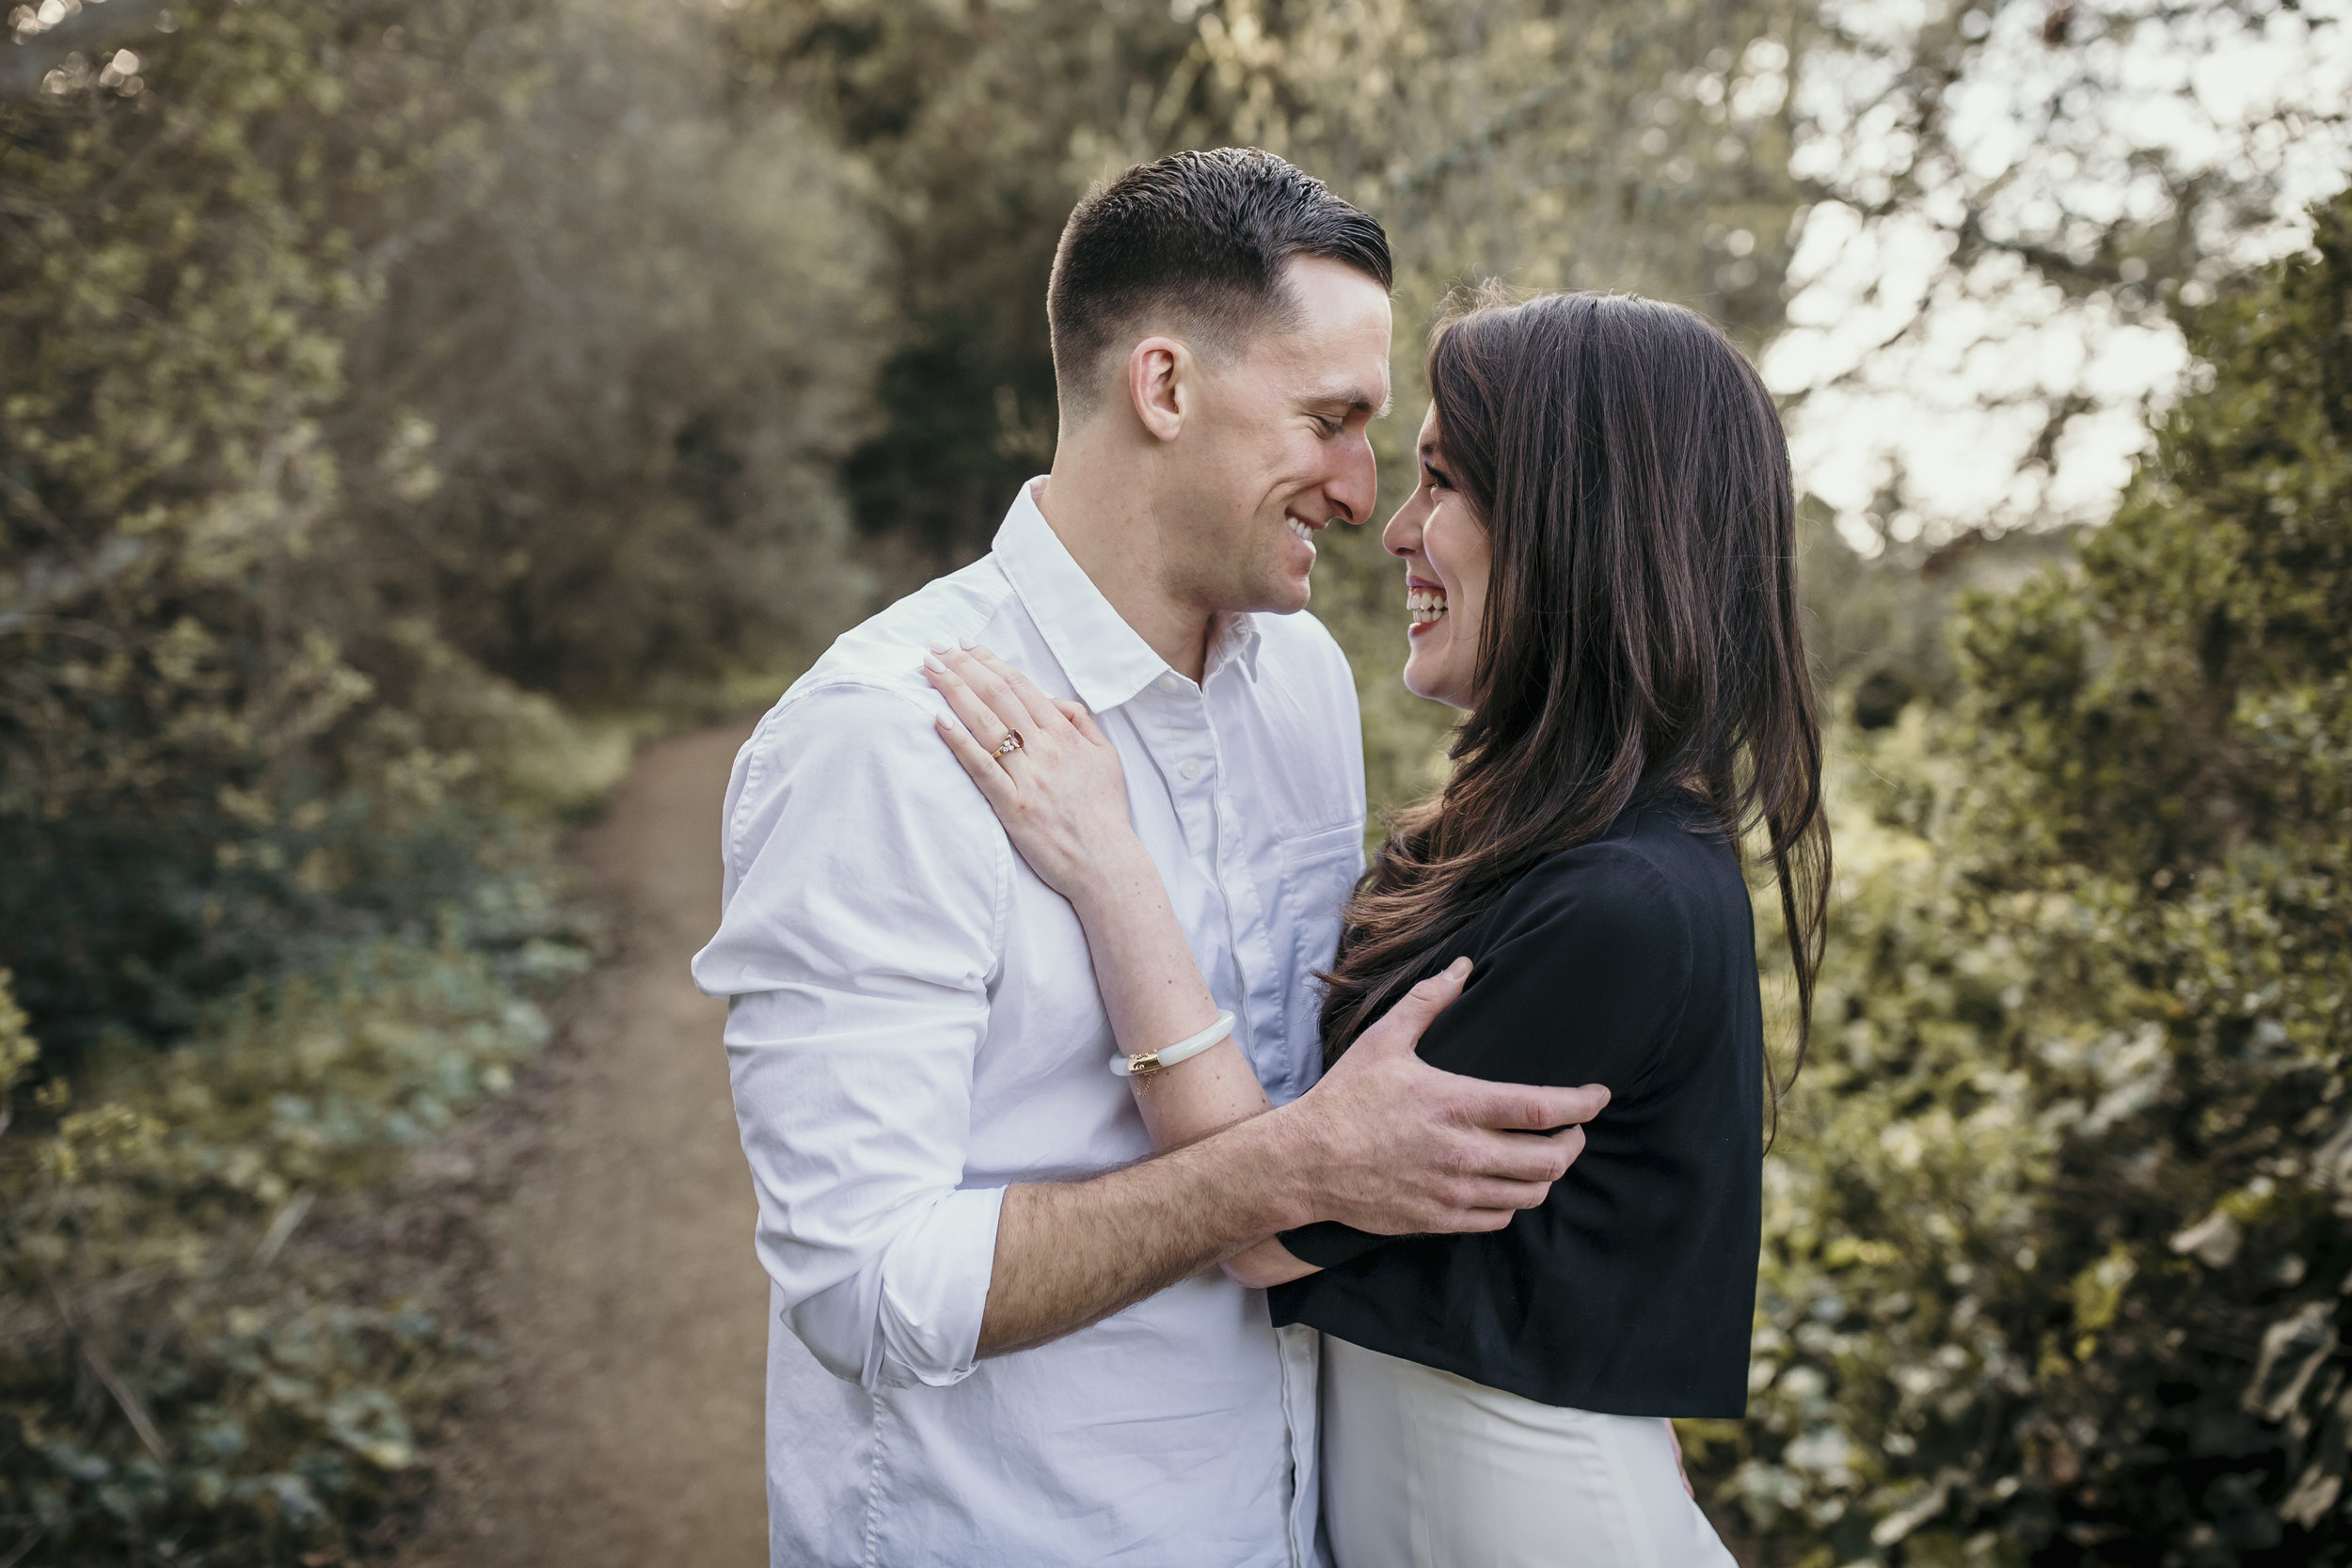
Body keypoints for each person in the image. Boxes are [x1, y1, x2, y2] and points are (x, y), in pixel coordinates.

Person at [691, 150, 1610, 1568]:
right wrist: (1292, 1169)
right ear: (1165, 388)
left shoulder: (1301, 684)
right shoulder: (886, 742)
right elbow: (867, 1291)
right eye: (1332, 421)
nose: (1364, 495)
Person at [925, 288, 1829, 1566]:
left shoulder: (1621, 906)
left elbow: (1260, 1223)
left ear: (1581, 526)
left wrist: (1110, 871)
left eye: (1445, 483)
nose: (1395, 527)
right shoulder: (1552, 854)